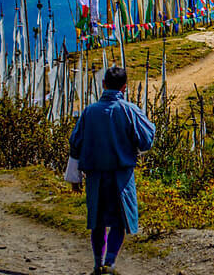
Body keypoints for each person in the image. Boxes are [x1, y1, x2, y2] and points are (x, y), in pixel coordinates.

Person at [67, 66, 155, 275]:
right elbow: (146, 141)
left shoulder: (89, 112)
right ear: (124, 87)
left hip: (95, 176)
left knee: (97, 221)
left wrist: (74, 176)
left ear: (104, 84)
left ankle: (98, 263)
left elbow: (75, 143)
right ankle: (110, 262)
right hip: (121, 176)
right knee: (119, 221)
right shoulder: (130, 110)